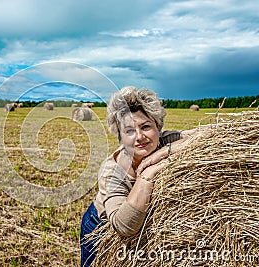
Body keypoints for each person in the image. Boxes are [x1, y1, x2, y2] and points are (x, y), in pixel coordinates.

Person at [80, 86, 197, 266]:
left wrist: (163, 153)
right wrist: (148, 174)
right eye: (129, 131)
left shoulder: (167, 141)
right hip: (99, 227)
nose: (139, 137)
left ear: (158, 127)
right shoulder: (112, 172)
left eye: (146, 127)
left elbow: (217, 135)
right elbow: (124, 226)